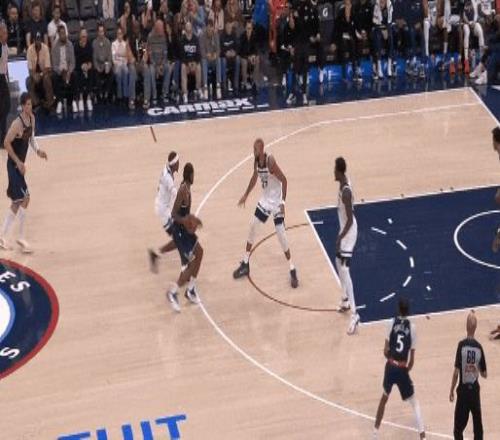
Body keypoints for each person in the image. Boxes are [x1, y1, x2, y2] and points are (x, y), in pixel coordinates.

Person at [233, 138, 299, 288]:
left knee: (281, 234)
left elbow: (284, 180)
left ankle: (292, 268)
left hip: (276, 201)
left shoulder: (270, 161)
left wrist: (283, 203)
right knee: (252, 226)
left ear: (262, 149)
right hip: (265, 200)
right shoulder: (256, 161)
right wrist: (246, 195)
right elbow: (254, 177)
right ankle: (245, 263)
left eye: (255, 149)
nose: (253, 152)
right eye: (253, 149)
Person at [0, 92, 48, 253]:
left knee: (17, 202)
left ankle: (2, 237)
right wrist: (18, 162)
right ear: (22, 106)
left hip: (19, 167)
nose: (30, 107)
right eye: (27, 104)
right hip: (13, 166)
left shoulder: (32, 119)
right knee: (25, 198)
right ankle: (20, 237)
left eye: (31, 104)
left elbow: (31, 138)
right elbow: (6, 143)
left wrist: (38, 151)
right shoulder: (16, 124)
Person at [373, 298, 426, 439]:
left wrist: (391, 359)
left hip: (390, 366)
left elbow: (385, 351)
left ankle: (375, 434)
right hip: (402, 368)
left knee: (384, 399)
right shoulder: (412, 328)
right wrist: (404, 371)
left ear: (398, 309)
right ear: (408, 311)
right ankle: (423, 436)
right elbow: (411, 362)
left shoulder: (391, 323)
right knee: (414, 403)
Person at [166, 163, 204, 312]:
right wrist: (186, 221)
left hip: (186, 231)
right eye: (193, 174)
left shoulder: (188, 189)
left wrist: (194, 219)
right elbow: (174, 214)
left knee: (200, 252)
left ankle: (191, 290)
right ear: (190, 175)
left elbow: (186, 214)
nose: (194, 177)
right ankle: (173, 292)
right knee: (191, 264)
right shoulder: (183, 190)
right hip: (180, 232)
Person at [449, 312, 487, 439]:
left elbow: (456, 373)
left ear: (466, 326)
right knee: (478, 428)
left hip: (463, 391)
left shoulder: (462, 345)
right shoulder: (479, 348)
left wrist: (451, 390)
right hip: (474, 391)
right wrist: (476, 367)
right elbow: (484, 374)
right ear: (475, 327)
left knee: (458, 429)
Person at [334, 157, 360, 335]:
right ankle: (344, 300)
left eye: (334, 169)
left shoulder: (346, 192)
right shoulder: (343, 182)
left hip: (349, 233)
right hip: (345, 229)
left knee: (344, 269)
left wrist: (341, 236)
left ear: (339, 171)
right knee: (337, 261)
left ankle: (354, 314)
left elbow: (350, 220)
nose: (333, 172)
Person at [149, 151, 180, 273]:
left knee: (179, 236)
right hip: (163, 211)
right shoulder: (168, 179)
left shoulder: (167, 169)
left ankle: (158, 253)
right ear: (174, 164)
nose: (179, 164)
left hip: (162, 205)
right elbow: (174, 193)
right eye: (178, 162)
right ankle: (156, 253)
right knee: (178, 239)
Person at [51, 25, 77, 114]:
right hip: (59, 71)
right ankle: (59, 101)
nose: (63, 35)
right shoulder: (54, 46)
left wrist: (69, 72)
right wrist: (61, 72)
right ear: (58, 34)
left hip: (68, 70)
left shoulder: (70, 45)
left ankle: (73, 101)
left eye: (64, 33)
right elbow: (54, 64)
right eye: (61, 33)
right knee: (54, 77)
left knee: (75, 75)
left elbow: (73, 62)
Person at [26, 32, 54, 111]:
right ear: (33, 40)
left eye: (39, 39)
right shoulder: (29, 50)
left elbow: (47, 67)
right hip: (34, 73)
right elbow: (30, 69)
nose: (37, 41)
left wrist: (40, 75)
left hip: (45, 72)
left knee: (46, 79)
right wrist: (34, 75)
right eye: (36, 40)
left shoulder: (45, 48)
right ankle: (37, 103)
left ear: (41, 40)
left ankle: (50, 103)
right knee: (28, 81)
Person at [145, 19, 170, 107]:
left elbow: (165, 53)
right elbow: (150, 54)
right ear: (156, 28)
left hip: (162, 62)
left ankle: (165, 93)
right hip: (154, 63)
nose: (162, 30)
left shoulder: (164, 37)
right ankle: (154, 95)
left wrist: (162, 65)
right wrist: (156, 66)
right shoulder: (150, 37)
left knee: (168, 67)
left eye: (163, 28)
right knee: (151, 70)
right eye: (161, 28)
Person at [180, 21, 202, 103]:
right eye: (187, 27)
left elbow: (198, 53)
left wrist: (195, 62)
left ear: (192, 29)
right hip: (186, 63)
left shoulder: (195, 39)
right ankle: (185, 93)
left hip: (194, 62)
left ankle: (198, 89)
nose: (188, 29)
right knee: (183, 67)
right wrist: (188, 63)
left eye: (190, 27)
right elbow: (182, 55)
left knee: (199, 67)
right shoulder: (182, 39)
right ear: (185, 29)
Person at [372, 0, 395, 79]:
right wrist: (382, 30)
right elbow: (375, 21)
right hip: (378, 28)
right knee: (378, 38)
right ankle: (379, 68)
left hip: (387, 27)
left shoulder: (389, 4)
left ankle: (389, 67)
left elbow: (389, 20)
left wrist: (386, 31)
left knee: (390, 38)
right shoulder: (376, 5)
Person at [200, 18, 222, 100]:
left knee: (218, 60)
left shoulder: (216, 35)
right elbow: (201, 51)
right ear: (206, 28)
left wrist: (216, 55)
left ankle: (218, 86)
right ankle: (205, 86)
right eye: (208, 28)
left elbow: (218, 49)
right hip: (206, 60)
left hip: (214, 59)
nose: (210, 30)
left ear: (213, 28)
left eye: (211, 28)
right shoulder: (202, 36)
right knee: (203, 61)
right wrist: (207, 55)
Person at [92, 23, 113, 103]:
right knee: (96, 73)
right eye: (100, 31)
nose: (101, 33)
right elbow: (94, 58)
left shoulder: (108, 42)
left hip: (105, 65)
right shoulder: (94, 43)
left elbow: (110, 58)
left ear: (104, 32)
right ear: (97, 32)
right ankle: (100, 94)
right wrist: (98, 67)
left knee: (111, 73)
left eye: (102, 31)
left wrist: (107, 66)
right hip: (98, 66)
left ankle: (107, 93)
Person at [74, 28, 94, 112]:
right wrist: (81, 66)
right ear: (80, 36)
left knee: (92, 72)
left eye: (85, 36)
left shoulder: (89, 45)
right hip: (79, 66)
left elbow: (91, 59)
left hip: (87, 66)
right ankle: (81, 98)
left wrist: (89, 65)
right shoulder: (76, 46)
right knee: (78, 74)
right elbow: (75, 60)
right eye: (82, 36)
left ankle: (88, 98)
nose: (84, 38)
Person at [220, 20, 240, 93]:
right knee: (223, 61)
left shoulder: (234, 34)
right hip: (225, 56)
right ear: (225, 28)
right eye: (227, 28)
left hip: (233, 55)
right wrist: (225, 53)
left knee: (238, 59)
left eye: (230, 28)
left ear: (232, 28)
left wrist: (234, 52)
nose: (229, 29)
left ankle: (236, 84)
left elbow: (237, 46)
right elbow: (220, 49)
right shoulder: (221, 36)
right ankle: (224, 84)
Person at [239, 20, 260, 91]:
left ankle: (255, 82)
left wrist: (253, 55)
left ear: (252, 28)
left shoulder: (255, 36)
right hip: (244, 56)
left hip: (251, 56)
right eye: (247, 28)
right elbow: (240, 51)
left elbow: (256, 48)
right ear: (245, 28)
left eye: (250, 28)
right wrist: (248, 57)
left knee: (257, 59)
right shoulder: (242, 37)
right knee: (244, 62)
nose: (249, 30)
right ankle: (244, 83)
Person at [112, 26, 130, 103]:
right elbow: (114, 58)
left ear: (122, 35)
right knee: (119, 72)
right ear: (116, 35)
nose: (120, 35)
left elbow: (126, 58)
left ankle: (125, 96)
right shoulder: (113, 44)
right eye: (118, 34)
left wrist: (120, 56)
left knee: (125, 71)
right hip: (116, 65)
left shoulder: (125, 44)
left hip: (124, 64)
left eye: (121, 34)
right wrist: (120, 58)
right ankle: (119, 96)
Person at [0, 22, 10, 151]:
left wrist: (7, 76)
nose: (6, 35)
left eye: (6, 32)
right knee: (5, 107)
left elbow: (5, 64)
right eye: (4, 32)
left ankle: (2, 138)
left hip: (3, 78)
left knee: (5, 108)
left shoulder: (5, 45)